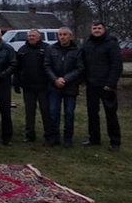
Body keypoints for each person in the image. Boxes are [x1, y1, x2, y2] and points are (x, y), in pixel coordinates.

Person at [80, 22, 123, 151]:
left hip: (106, 85)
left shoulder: (111, 44)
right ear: (91, 29)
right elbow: (82, 62)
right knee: (92, 113)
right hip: (91, 84)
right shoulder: (87, 44)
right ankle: (94, 138)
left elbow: (117, 65)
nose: (97, 30)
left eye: (99, 28)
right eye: (94, 28)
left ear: (104, 30)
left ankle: (115, 141)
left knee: (110, 114)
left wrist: (111, 83)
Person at [44, 27, 83, 148]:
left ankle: (68, 138)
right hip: (54, 86)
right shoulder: (51, 49)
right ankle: (54, 137)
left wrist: (65, 79)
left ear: (71, 36)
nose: (62, 37)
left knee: (69, 113)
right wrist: (55, 79)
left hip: (70, 86)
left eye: (65, 34)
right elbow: (46, 65)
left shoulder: (77, 50)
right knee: (53, 112)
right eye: (60, 34)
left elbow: (80, 68)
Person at [14, 30, 54, 145]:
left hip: (43, 86)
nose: (31, 38)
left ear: (39, 37)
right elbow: (17, 68)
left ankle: (49, 135)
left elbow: (50, 66)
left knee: (45, 111)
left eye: (33, 36)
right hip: (28, 87)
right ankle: (29, 135)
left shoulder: (46, 48)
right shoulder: (22, 50)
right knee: (29, 112)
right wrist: (16, 83)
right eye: (29, 36)